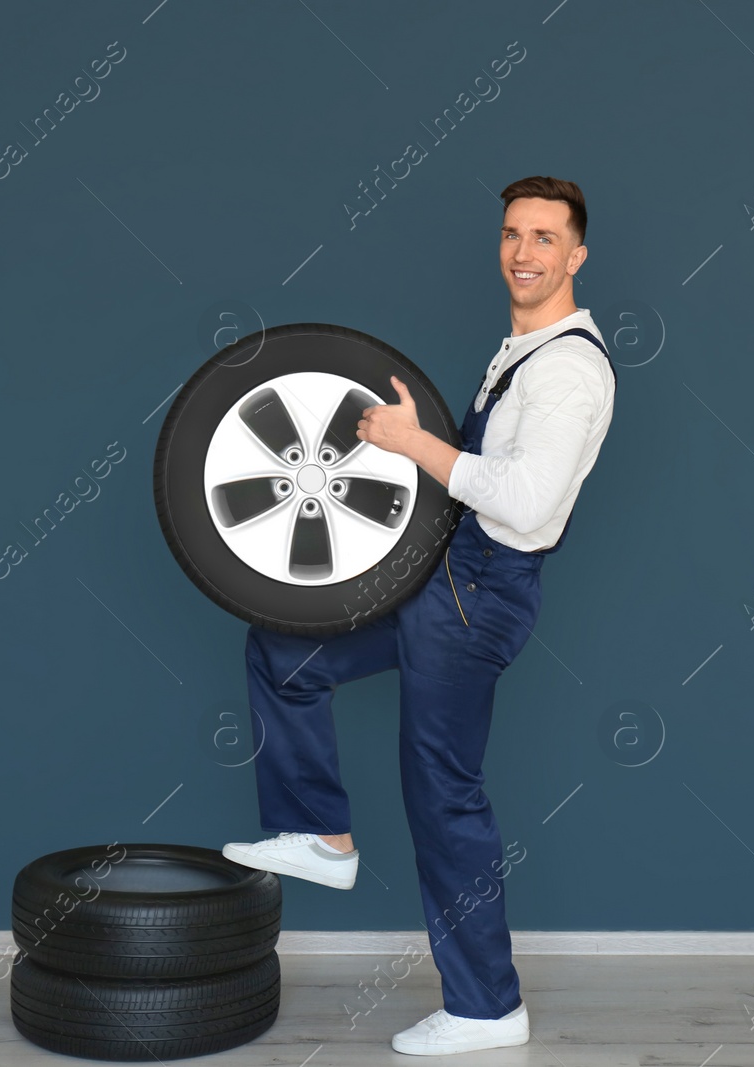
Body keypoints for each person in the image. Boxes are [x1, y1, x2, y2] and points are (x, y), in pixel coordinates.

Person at [223, 176, 616, 1055]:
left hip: (484, 590)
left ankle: (485, 1006)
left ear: (577, 255)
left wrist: (415, 443)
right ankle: (320, 832)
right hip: (443, 577)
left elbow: (522, 500)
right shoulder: (523, 349)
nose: (524, 251)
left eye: (546, 238)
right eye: (514, 233)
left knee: (444, 796)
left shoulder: (567, 370)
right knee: (285, 648)